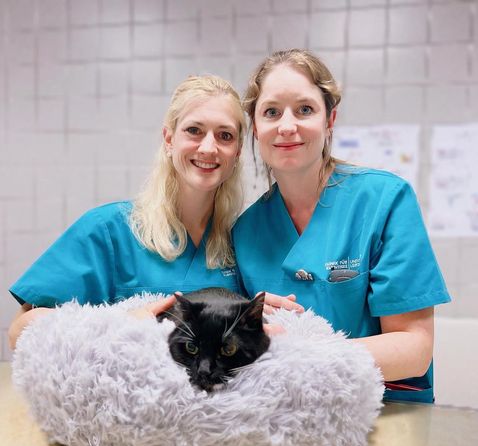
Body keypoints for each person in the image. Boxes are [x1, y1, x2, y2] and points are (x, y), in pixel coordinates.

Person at [8, 74, 300, 350]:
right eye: (194, 131)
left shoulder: (239, 242)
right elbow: (19, 331)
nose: (209, 147)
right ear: (169, 138)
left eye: (225, 135)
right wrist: (117, 323)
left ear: (236, 152)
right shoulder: (108, 231)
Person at [233, 49, 451, 403]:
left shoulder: (383, 201)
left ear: (330, 119)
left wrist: (302, 353)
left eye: (305, 109)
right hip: (284, 420)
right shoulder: (245, 232)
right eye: (272, 112)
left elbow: (413, 348)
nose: (287, 126)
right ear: (256, 127)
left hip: (382, 416)